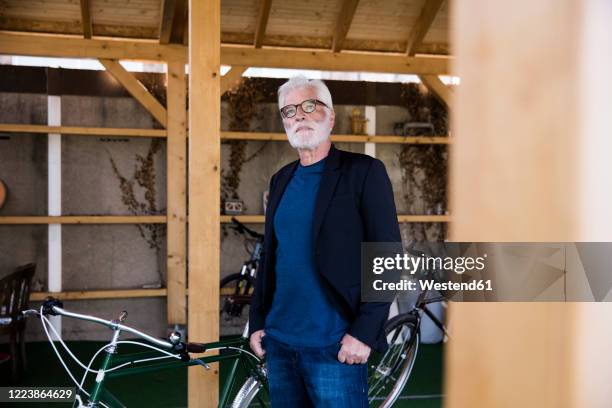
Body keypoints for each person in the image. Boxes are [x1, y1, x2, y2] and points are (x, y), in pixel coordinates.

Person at [248, 75, 401, 407]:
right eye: (289, 111)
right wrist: (258, 322)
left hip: (336, 345)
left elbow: (387, 257)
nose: (298, 116)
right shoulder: (281, 180)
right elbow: (271, 256)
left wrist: (365, 332)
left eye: (308, 105)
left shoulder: (364, 172)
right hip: (280, 344)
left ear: (330, 116)